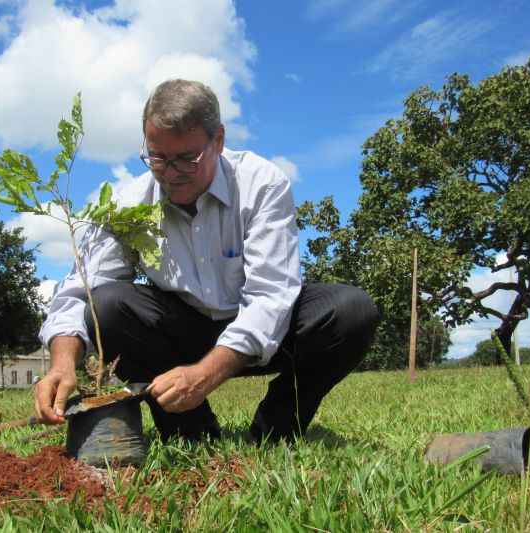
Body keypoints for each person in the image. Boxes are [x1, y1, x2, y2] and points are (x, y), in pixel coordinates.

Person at [35, 79, 380, 442]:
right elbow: (81, 291)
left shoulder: (261, 185)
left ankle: (276, 428)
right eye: (157, 157)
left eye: (186, 158)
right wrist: (62, 364)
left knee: (350, 311)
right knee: (105, 306)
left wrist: (203, 376)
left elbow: (270, 296)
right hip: (182, 331)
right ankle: (190, 431)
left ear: (218, 141)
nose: (169, 173)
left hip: (267, 333)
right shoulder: (128, 204)